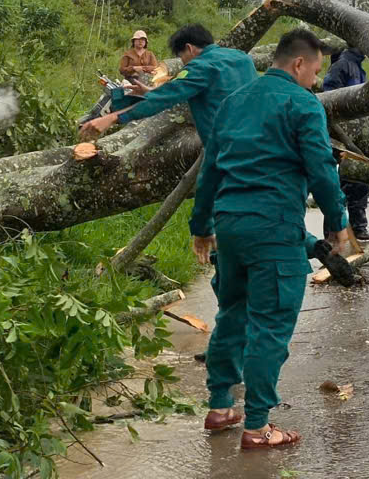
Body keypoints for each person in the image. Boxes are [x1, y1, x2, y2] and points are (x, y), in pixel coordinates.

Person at [190, 29, 352, 450]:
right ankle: (259, 426)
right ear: (299, 64)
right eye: (315, 71)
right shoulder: (302, 103)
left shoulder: (233, 102)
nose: (316, 80)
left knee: (233, 313)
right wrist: (338, 224)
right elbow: (321, 168)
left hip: (229, 224)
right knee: (269, 326)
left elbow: (209, 171)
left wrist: (200, 226)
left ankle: (221, 404)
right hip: (274, 228)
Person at [80, 24, 257, 143]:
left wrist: (112, 118)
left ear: (189, 48)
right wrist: (150, 90)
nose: (184, 63)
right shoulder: (242, 58)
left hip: (226, 150)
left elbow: (163, 100)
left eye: (181, 58)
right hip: (259, 139)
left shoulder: (201, 66)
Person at [320, 48, 369, 241]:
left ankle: (358, 227)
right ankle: (334, 231)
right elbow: (330, 93)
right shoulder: (344, 65)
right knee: (343, 185)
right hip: (343, 134)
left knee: (360, 183)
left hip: (357, 132)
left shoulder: (358, 66)